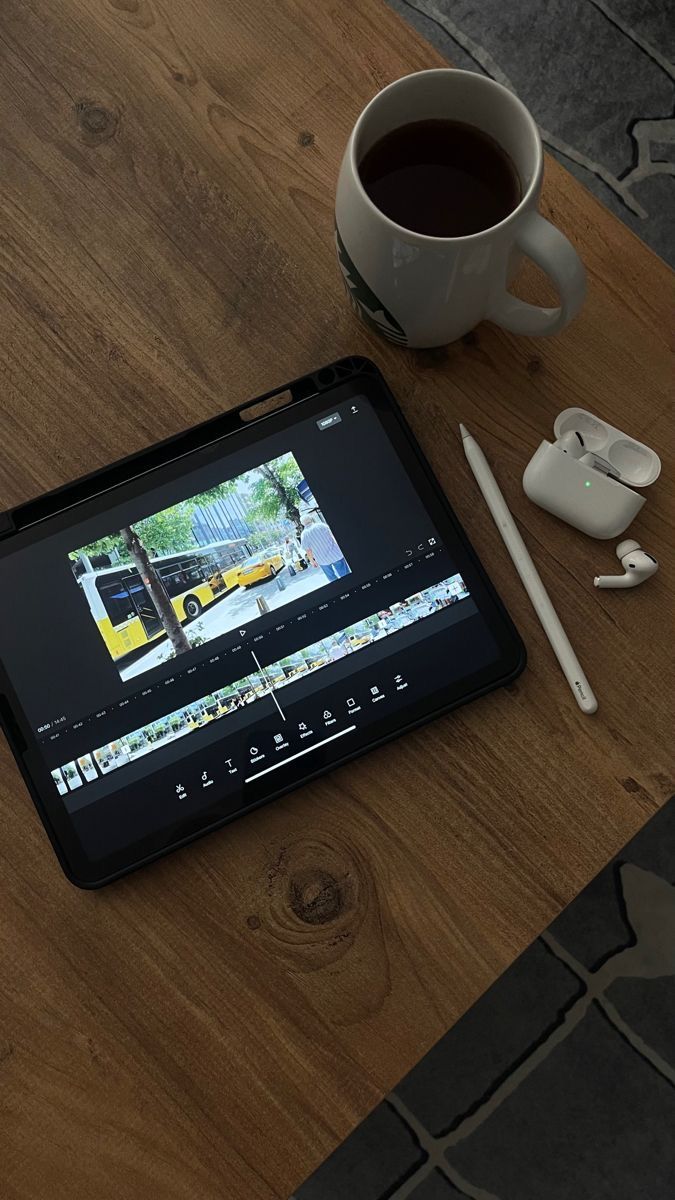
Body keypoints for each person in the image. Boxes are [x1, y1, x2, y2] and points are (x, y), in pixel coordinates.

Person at [300, 514, 349, 582]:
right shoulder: (322, 525)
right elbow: (334, 537)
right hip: (336, 554)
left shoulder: (304, 534)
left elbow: (308, 550)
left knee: (332, 579)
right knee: (346, 575)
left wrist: (312, 561)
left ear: (302, 523)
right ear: (310, 519)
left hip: (322, 560)